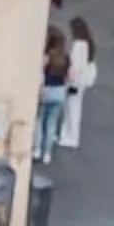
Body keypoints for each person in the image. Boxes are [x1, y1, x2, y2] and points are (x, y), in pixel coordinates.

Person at [59, 20, 96, 150]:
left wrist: (70, 81)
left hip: (76, 81)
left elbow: (75, 66)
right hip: (82, 81)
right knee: (75, 107)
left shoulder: (78, 45)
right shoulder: (88, 43)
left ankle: (69, 136)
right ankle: (70, 134)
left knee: (71, 108)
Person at [36, 32, 69, 161]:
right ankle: (47, 154)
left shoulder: (47, 57)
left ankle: (37, 149)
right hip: (59, 92)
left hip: (46, 91)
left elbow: (41, 75)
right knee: (51, 123)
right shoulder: (65, 58)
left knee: (39, 121)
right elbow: (71, 76)